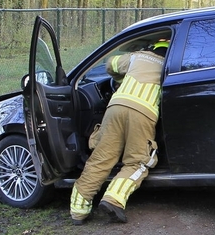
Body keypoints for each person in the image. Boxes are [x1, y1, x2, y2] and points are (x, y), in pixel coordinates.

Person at [69, 38, 169, 224]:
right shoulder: (170, 64)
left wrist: (122, 76)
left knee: (101, 158)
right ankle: (113, 199)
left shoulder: (137, 57)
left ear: (152, 47)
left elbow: (111, 65)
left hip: (115, 106)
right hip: (143, 112)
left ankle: (78, 210)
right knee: (138, 162)